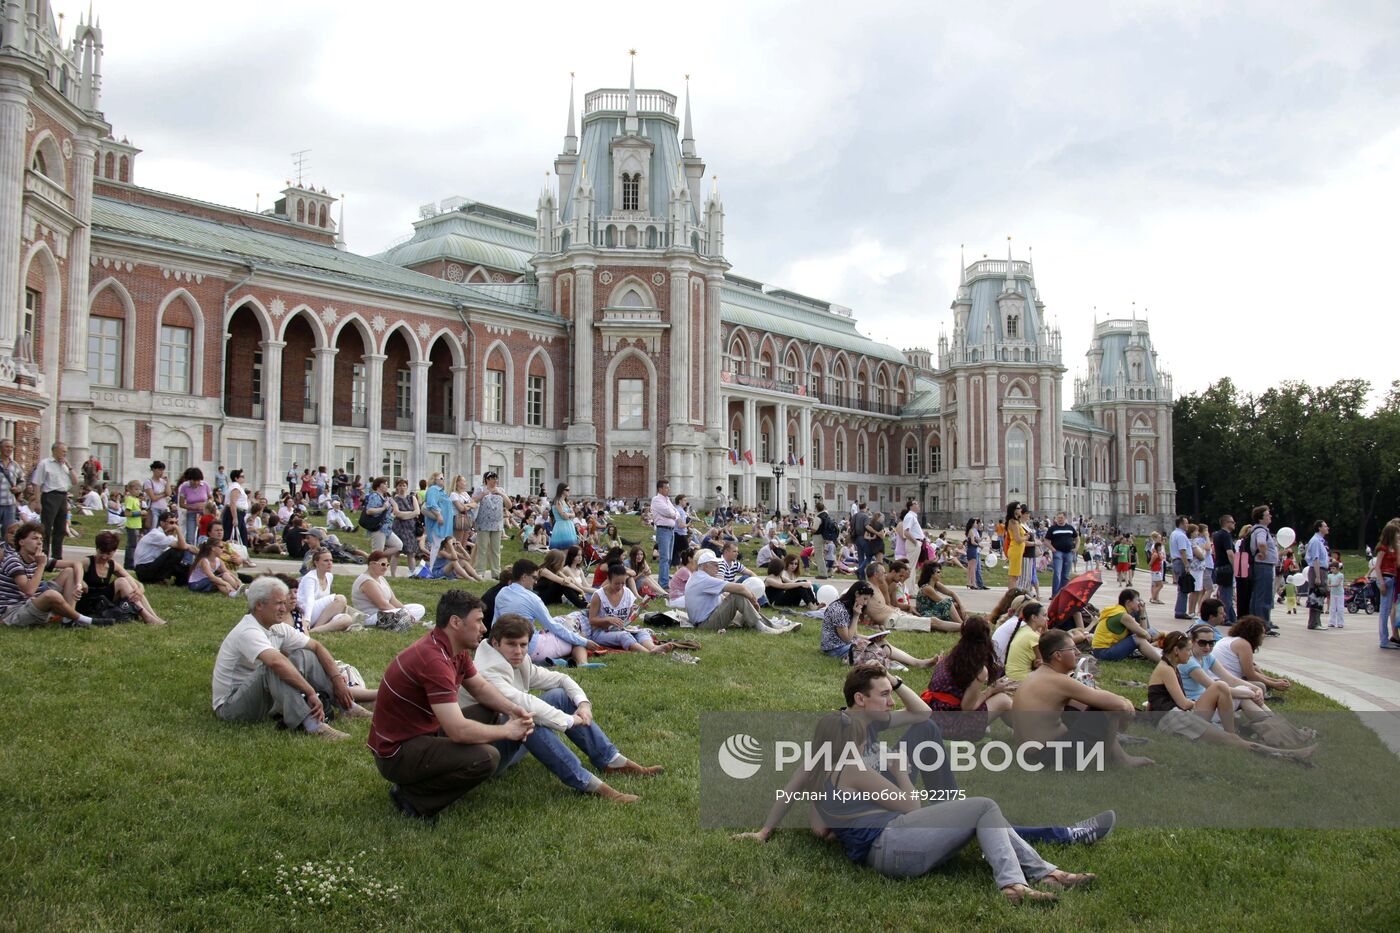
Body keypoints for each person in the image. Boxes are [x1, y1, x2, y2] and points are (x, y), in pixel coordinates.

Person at [735, 665, 1097, 904]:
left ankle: (1047, 873)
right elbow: (911, 808)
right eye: (883, 696)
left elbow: (805, 807)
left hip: (886, 839)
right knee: (984, 808)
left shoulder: (833, 756)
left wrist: (767, 831)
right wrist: (900, 770)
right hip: (893, 841)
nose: (887, 706)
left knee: (968, 794)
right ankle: (1014, 883)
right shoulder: (854, 763)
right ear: (858, 709)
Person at [367, 590, 534, 819]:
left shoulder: (453, 649)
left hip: (420, 734)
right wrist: (507, 730)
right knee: (487, 757)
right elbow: (458, 730)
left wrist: (511, 709)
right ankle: (414, 799)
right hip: (396, 754)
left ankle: (430, 780)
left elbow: (480, 688)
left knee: (489, 710)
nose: (484, 628)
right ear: (456, 622)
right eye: (478, 621)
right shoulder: (434, 660)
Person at [465, 614, 663, 801]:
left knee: (560, 695)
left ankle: (612, 760)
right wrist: (571, 720)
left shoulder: (517, 658)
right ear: (495, 643)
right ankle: (589, 784)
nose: (518, 651)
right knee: (527, 719)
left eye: (523, 645)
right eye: (511, 644)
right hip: (488, 754)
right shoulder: (488, 669)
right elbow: (524, 704)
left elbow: (561, 679)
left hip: (506, 735)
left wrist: (583, 705)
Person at [211, 577, 368, 741]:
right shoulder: (248, 631)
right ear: (259, 605)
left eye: (284, 602)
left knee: (304, 653)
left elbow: (316, 647)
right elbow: (276, 663)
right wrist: (310, 692)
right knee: (273, 667)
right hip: (230, 707)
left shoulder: (277, 627)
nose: (283, 608)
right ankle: (313, 725)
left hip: (263, 700)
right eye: (278, 603)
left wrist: (337, 681)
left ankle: (347, 706)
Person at [1148, 631, 1314, 760]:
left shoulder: (1171, 666)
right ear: (1176, 650)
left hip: (1176, 715)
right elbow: (1183, 704)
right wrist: (1196, 702)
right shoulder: (1166, 669)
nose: (1190, 654)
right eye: (1188, 650)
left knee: (1220, 687)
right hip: (1172, 720)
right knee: (1231, 741)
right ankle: (1289, 755)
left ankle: (1232, 732)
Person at [1012, 629, 1154, 768]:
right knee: (1106, 708)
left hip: (1029, 755)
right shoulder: (1059, 681)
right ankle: (1120, 759)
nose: (1078, 653)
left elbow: (1089, 698)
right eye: (1073, 649)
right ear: (1058, 656)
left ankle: (1115, 754)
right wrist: (1126, 704)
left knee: (1079, 705)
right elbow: (1118, 706)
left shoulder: (1038, 676)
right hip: (1048, 757)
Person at [923, 615, 1016, 740]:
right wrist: (991, 690)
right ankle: (1028, 730)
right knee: (1003, 700)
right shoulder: (977, 669)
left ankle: (1024, 729)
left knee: (999, 695)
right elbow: (967, 707)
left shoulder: (950, 659)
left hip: (933, 717)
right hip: (951, 726)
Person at [495, 558, 597, 666]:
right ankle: (582, 663)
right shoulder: (533, 598)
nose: (536, 581)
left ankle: (551, 661)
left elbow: (495, 624)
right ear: (524, 577)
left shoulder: (502, 593)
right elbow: (553, 627)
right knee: (575, 636)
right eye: (534, 578)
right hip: (530, 649)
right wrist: (584, 641)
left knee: (554, 631)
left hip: (505, 647)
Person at [0, 521, 96, 627]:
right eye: (34, 538)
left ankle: (68, 620)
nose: (40, 542)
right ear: (21, 542)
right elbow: (29, 591)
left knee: (69, 572)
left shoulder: (37, 558)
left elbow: (76, 564)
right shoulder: (13, 560)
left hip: (32, 603)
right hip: (12, 612)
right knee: (51, 594)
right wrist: (41, 565)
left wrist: (78, 584)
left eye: (41, 539)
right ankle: (85, 620)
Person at [684, 549, 795, 633]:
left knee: (743, 609)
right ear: (705, 566)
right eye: (715, 565)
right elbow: (740, 588)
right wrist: (753, 599)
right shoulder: (704, 579)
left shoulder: (698, 577)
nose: (718, 567)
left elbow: (720, 597)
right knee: (737, 595)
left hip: (705, 620)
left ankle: (772, 625)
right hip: (705, 624)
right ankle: (764, 628)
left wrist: (750, 604)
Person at [74, 530, 167, 625]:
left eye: (109, 554)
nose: (104, 556)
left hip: (104, 600)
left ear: (114, 551)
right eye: (102, 552)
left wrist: (140, 589)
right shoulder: (88, 562)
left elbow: (132, 580)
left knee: (131, 584)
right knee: (121, 582)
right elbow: (73, 574)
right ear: (97, 548)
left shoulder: (112, 564)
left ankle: (154, 617)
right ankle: (146, 617)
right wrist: (81, 581)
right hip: (89, 602)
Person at [585, 563, 669, 654]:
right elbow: (592, 620)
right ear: (609, 580)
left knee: (641, 632)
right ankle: (648, 653)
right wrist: (608, 619)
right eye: (617, 583)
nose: (620, 586)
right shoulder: (599, 595)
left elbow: (628, 617)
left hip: (621, 628)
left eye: (623, 583)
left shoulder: (627, 592)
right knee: (624, 636)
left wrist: (635, 610)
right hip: (601, 632)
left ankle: (652, 647)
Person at [1211, 616, 1291, 695]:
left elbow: (1251, 670)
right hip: (1222, 682)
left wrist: (1275, 680)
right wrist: (1274, 684)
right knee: (1261, 686)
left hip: (1218, 679)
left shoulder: (1230, 639)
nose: (1264, 635)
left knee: (1258, 678)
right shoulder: (1243, 645)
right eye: (1263, 633)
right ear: (1254, 634)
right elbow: (1250, 675)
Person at [351, 551, 427, 628]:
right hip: (372, 616)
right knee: (398, 613)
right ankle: (406, 620)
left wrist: (406, 612)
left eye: (387, 565)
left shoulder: (381, 578)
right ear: (372, 564)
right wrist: (403, 614)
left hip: (386, 612)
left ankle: (406, 619)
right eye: (383, 564)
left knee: (419, 608)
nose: (385, 567)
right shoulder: (367, 581)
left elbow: (393, 600)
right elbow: (382, 605)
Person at [30, 442, 79, 559]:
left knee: (61, 528)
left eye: (66, 451)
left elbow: (75, 481)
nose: (65, 453)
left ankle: (57, 556)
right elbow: (37, 483)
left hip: (63, 496)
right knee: (46, 527)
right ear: (55, 450)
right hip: (50, 496)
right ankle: (44, 554)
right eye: (63, 451)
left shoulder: (65, 466)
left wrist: (69, 465)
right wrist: (37, 502)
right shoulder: (45, 464)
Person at [1089, 589, 1162, 663]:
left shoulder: (1119, 611)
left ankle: (1160, 657)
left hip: (1100, 651)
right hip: (1102, 653)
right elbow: (1144, 634)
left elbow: (1143, 631)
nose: (1139, 603)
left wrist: (1142, 612)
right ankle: (1164, 663)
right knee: (1138, 639)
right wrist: (1149, 638)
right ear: (1128, 602)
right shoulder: (1123, 616)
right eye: (1137, 600)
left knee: (1139, 637)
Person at [296, 548, 355, 633]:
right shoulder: (310, 578)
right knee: (340, 599)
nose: (330, 563)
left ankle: (314, 631)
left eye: (331, 560)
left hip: (320, 615)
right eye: (326, 561)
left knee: (347, 619)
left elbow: (326, 600)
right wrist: (307, 620)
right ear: (316, 563)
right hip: (306, 613)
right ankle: (312, 627)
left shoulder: (329, 576)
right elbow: (309, 600)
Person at [131, 512, 198, 586]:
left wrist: (204, 554)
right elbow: (182, 546)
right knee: (176, 552)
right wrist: (178, 529)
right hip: (143, 570)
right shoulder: (156, 534)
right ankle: (158, 579)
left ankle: (181, 581)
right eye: (171, 523)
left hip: (151, 565)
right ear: (162, 523)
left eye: (176, 523)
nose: (174, 525)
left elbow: (188, 546)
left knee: (184, 568)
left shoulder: (167, 536)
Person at [471, 471, 511, 577]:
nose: (495, 481)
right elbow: (473, 500)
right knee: (482, 548)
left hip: (497, 524)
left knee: (496, 549)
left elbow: (509, 505)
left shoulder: (501, 490)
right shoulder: (480, 489)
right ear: (487, 480)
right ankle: (480, 572)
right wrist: (482, 494)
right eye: (493, 478)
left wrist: (501, 494)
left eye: (496, 478)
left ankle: (496, 572)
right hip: (483, 523)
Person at [1248, 505, 1279, 630]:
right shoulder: (1261, 530)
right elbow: (1261, 543)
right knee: (1264, 595)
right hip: (1263, 566)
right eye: (1267, 514)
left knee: (1258, 595)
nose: (1270, 516)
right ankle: (1263, 624)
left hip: (1261, 566)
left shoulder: (1258, 529)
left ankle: (1257, 622)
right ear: (1260, 519)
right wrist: (1264, 554)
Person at [1003, 601, 1049, 682]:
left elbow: (1037, 662)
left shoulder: (1024, 629)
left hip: (1011, 676)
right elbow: (1044, 664)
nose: (1047, 619)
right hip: (1021, 680)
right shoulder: (1033, 636)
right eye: (1045, 615)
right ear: (1034, 617)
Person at [913, 561, 965, 633]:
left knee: (955, 603)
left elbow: (952, 593)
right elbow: (942, 602)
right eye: (938, 572)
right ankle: (963, 625)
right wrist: (955, 604)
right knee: (948, 602)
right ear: (931, 574)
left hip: (934, 610)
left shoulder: (936, 584)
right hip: (926, 614)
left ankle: (966, 622)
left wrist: (961, 606)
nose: (940, 574)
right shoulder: (926, 588)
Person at [1375, 519, 1400, 649]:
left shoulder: (1394, 548)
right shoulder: (1383, 548)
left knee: (1388, 609)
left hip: (1392, 579)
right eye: (1396, 533)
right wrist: (1381, 582)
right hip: (1385, 578)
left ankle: (1386, 639)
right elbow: (1377, 566)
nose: (1398, 535)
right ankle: (1383, 640)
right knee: (1384, 611)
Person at [650, 479, 677, 591]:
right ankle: (663, 583)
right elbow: (668, 512)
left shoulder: (667, 499)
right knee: (664, 558)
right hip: (663, 530)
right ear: (660, 489)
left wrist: (673, 514)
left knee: (669, 558)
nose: (668, 489)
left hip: (671, 530)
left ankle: (665, 579)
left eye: (668, 487)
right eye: (666, 487)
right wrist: (673, 514)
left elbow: (675, 512)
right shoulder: (656, 500)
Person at [423, 472, 453, 569]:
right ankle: (431, 568)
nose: (443, 480)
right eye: (441, 478)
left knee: (439, 545)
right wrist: (439, 515)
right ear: (434, 480)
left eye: (443, 478)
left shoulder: (442, 491)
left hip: (444, 523)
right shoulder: (433, 489)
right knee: (436, 545)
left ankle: (437, 567)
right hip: (437, 523)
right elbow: (431, 504)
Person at [1303, 520, 1330, 631]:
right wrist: (1318, 576)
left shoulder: (1320, 541)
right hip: (1317, 570)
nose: (1327, 528)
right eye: (1325, 526)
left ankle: (1316, 621)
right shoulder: (1315, 541)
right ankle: (1313, 622)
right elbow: (1315, 559)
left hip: (1321, 570)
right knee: (1316, 595)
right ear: (1319, 528)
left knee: (1320, 595)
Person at [175, 467, 212, 545]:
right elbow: (181, 504)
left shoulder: (205, 485)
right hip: (191, 513)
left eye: (198, 480)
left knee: (204, 535)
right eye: (194, 480)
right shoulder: (184, 486)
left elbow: (211, 498)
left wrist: (206, 505)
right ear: (189, 479)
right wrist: (192, 507)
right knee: (190, 537)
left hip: (204, 514)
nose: (196, 483)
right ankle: (189, 555)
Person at [1046, 512, 1077, 596]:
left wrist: (1076, 548)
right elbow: (1046, 540)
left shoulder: (1070, 528)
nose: (1060, 519)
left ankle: (1064, 594)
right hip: (1058, 552)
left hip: (1068, 552)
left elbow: (1077, 538)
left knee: (1066, 575)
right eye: (1058, 518)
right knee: (1057, 573)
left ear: (1065, 518)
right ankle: (1055, 594)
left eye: (1061, 518)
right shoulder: (1053, 528)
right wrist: (1052, 549)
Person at [220, 468, 249, 546]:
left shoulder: (236, 487)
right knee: (232, 537)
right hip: (235, 513)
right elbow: (232, 503)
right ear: (236, 478)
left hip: (239, 514)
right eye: (242, 476)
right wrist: (235, 518)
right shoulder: (235, 487)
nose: (244, 478)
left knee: (241, 536)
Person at [1004, 502, 1028, 592]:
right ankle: (1011, 594)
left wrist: (1024, 535)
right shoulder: (1013, 522)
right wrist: (1026, 537)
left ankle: (1012, 592)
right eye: (1018, 508)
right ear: (1014, 510)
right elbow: (1018, 539)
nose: (1020, 510)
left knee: (1015, 575)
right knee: (1013, 575)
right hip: (1015, 549)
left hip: (1018, 550)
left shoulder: (1016, 521)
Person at [0, 437, 21, 532]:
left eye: (11, 447)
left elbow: (23, 481)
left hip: (10, 504)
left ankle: (6, 547)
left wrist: (19, 488)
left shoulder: (15, 465)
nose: (9, 449)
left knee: (8, 531)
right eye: (7, 447)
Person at [1327, 558, 1346, 629]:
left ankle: (1340, 623)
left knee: (1340, 608)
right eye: (1331, 569)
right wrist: (1328, 586)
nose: (1332, 570)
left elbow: (1337, 584)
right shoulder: (1330, 575)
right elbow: (1328, 582)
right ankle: (1332, 622)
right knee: (1332, 608)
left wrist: (1329, 585)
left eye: (1333, 568)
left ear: (1338, 568)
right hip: (1333, 593)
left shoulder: (1340, 575)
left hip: (1340, 593)